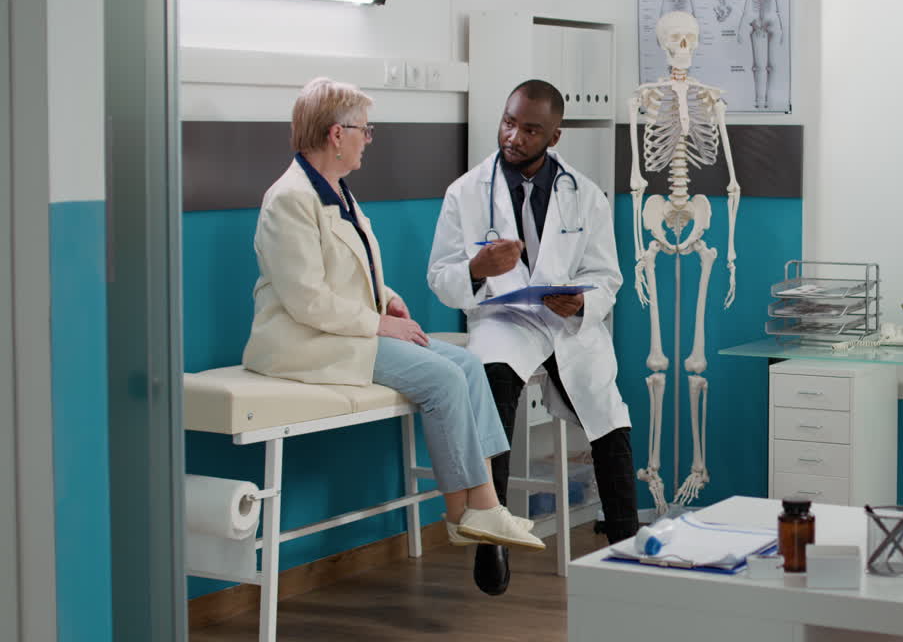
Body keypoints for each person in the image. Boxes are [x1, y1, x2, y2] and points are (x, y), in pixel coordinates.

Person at [242, 78, 544, 592]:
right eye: (365, 129)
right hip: (304, 342)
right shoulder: (289, 200)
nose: (370, 138)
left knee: (468, 364)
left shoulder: (335, 190)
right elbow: (306, 300)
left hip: (345, 330)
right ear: (337, 134)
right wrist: (381, 322)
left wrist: (385, 295)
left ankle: (476, 510)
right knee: (442, 379)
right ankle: (474, 512)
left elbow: (344, 267)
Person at [429, 79, 639, 595]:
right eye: (508, 122)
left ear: (554, 135)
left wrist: (583, 301)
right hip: (503, 321)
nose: (513, 136)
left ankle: (628, 549)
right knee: (491, 384)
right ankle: (490, 535)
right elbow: (440, 277)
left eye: (529, 130)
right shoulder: (465, 192)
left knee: (608, 418)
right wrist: (476, 269)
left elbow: (608, 276)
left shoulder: (584, 195)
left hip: (566, 324)